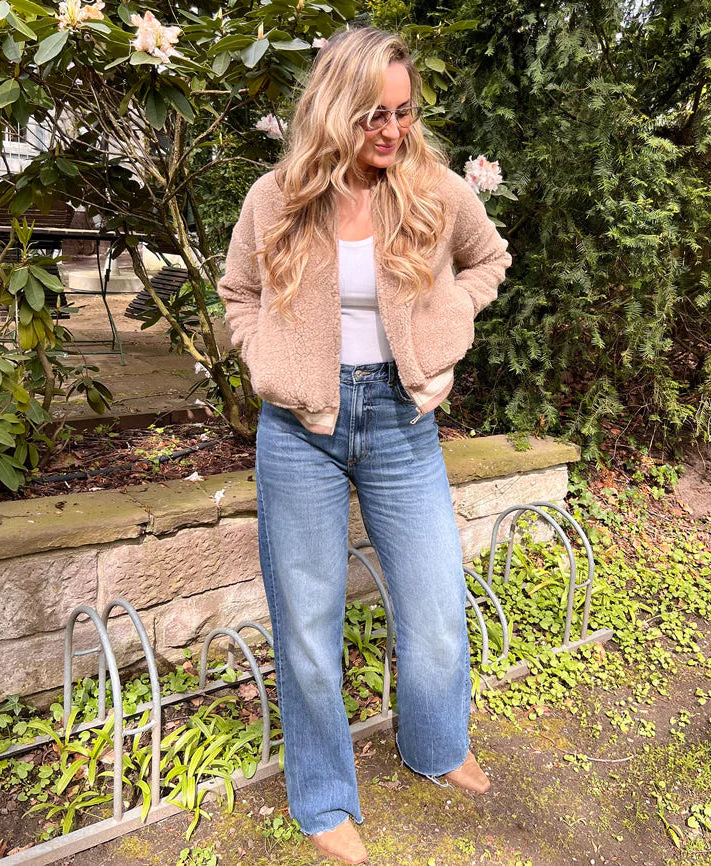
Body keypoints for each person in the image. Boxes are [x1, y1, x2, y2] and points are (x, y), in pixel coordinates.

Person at [217, 25, 511, 865]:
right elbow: (238, 292)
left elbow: (488, 260)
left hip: (400, 419)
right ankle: (320, 796)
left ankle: (436, 743)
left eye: (403, 112)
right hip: (298, 430)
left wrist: (447, 326)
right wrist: (268, 361)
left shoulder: (434, 191)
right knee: (308, 626)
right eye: (373, 115)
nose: (391, 130)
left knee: (436, 607)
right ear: (332, 109)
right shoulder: (275, 198)